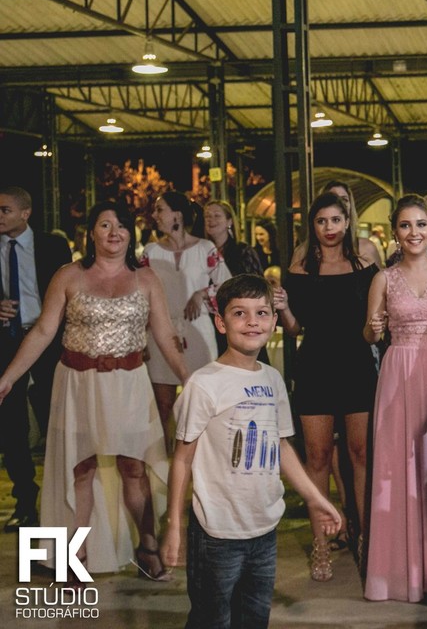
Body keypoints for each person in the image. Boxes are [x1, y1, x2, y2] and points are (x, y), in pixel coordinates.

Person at [0, 201, 188, 577]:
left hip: (129, 383)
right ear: (91, 232)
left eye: (121, 225)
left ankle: (147, 544)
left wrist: (191, 380)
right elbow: (42, 331)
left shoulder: (147, 279)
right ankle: (75, 557)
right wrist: (8, 377)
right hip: (77, 383)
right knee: (80, 468)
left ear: (130, 233)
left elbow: (165, 335)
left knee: (134, 466)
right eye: (105, 225)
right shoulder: (68, 275)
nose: (114, 232)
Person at [162, 274, 341, 629]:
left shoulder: (272, 379)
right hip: (217, 533)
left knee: (255, 618)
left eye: (261, 313)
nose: (252, 322)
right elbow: (182, 460)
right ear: (220, 322)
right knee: (211, 619)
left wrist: (315, 498)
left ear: (274, 321)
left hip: (263, 529)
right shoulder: (205, 383)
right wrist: (174, 527)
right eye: (240, 313)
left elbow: (281, 446)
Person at [363, 195, 427, 601]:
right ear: (395, 232)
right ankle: (397, 574)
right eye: (406, 226)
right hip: (398, 373)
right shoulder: (383, 279)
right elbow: (370, 334)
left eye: (421, 225)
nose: (415, 233)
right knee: (399, 465)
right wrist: (374, 328)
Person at [275, 192, 379, 581]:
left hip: (356, 364)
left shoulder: (366, 258)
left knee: (361, 456)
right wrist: (283, 306)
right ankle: (321, 544)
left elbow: (377, 314)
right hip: (315, 365)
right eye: (322, 222)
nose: (330, 228)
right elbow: (294, 328)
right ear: (313, 225)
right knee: (317, 457)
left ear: (347, 221)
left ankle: (366, 538)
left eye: (336, 220)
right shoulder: (302, 263)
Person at [0, 186, 72, 531]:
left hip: (47, 344)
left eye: (4, 210)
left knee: (53, 419)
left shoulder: (52, 247)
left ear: (25, 213)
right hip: (6, 344)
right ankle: (25, 502)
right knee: (10, 426)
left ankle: (61, 502)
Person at [143, 192, 230, 437]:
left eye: (160, 210)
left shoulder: (205, 248)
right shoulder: (150, 252)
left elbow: (229, 286)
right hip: (160, 334)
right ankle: (165, 467)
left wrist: (202, 294)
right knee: (162, 405)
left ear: (177, 215)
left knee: (202, 401)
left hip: (197, 330)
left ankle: (201, 464)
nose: (155, 215)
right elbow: (137, 295)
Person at [204, 201, 262, 277]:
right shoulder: (202, 251)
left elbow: (256, 282)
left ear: (229, 221)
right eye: (207, 216)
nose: (211, 219)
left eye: (217, 215)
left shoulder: (243, 251)